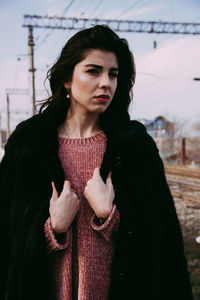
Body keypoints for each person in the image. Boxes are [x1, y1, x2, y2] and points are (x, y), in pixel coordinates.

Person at [0, 25, 193, 300]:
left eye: (113, 74)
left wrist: (109, 217)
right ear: (67, 78)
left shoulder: (135, 146)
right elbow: (7, 239)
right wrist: (51, 229)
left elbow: (163, 245)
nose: (106, 83)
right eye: (93, 71)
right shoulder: (28, 146)